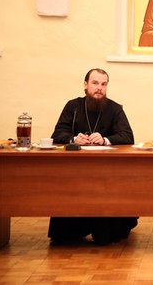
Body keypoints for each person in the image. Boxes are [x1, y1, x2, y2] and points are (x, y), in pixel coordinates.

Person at [49, 68, 137, 245]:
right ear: (85, 85)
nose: (99, 88)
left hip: (106, 173)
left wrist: (105, 140)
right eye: (95, 83)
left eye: (103, 84)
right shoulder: (73, 107)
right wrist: (74, 138)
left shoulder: (114, 109)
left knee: (106, 237)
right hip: (76, 173)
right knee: (63, 237)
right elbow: (57, 134)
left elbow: (128, 136)